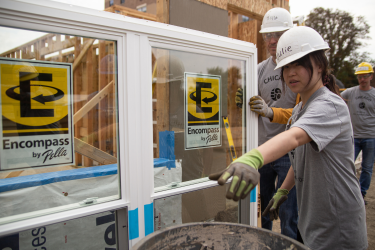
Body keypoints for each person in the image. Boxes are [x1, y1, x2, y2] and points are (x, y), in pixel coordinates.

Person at [210, 26, 367, 249]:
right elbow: (300, 156)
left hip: (337, 222)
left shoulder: (330, 105)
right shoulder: (300, 109)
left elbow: (293, 138)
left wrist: (252, 158)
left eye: (299, 64)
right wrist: (283, 189)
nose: (291, 72)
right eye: (286, 66)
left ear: (320, 65)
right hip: (313, 218)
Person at [235, 7, 299, 239]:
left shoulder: (297, 69)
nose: (272, 40)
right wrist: (242, 102)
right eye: (267, 35)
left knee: (288, 210)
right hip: (262, 149)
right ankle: (264, 243)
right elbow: (249, 103)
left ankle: (290, 243)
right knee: (262, 210)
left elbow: (302, 113)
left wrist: (271, 112)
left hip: (288, 152)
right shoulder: (259, 68)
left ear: (289, 34)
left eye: (278, 34)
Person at [341, 62, 375, 205]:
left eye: (365, 76)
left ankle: (361, 195)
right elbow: (336, 99)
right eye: (360, 77)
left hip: (371, 136)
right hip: (353, 136)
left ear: (371, 77)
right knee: (346, 166)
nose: (362, 79)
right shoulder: (350, 92)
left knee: (366, 168)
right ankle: (347, 193)